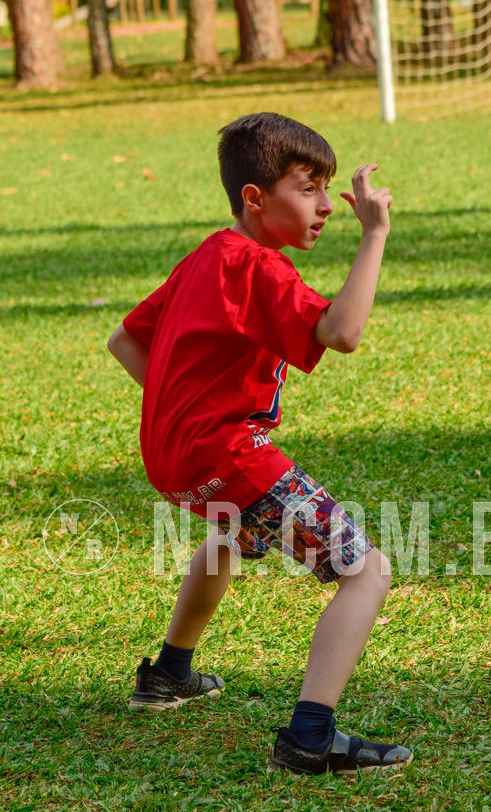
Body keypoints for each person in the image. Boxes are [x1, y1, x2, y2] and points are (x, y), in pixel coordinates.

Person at [107, 112, 413, 777]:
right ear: (256, 197)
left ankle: (167, 675)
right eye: (309, 189)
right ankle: (309, 737)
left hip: (173, 458)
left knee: (232, 536)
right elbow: (343, 331)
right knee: (366, 572)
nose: (328, 207)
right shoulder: (254, 266)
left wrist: (183, 415)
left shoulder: (208, 255)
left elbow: (125, 340)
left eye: (329, 191)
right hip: (228, 453)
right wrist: (376, 236)